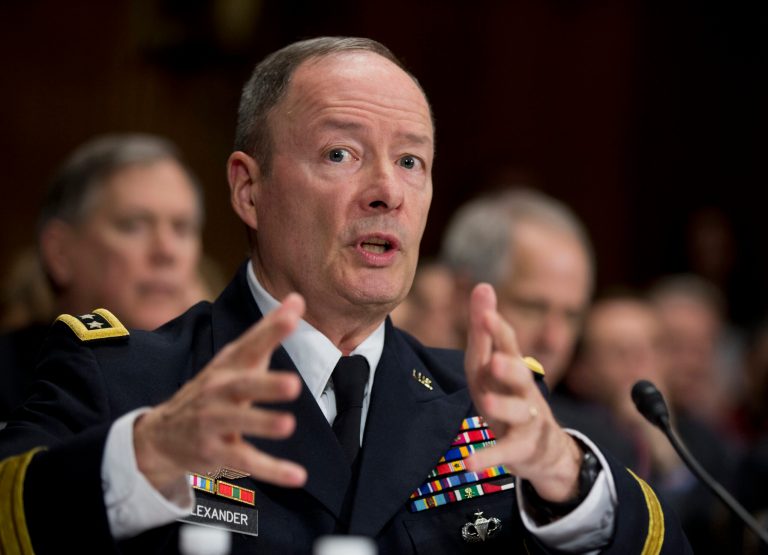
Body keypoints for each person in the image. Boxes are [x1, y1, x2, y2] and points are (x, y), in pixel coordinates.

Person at [0, 37, 689, 554]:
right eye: (341, 154)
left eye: (411, 160)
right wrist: (142, 458)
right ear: (249, 188)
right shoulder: (127, 377)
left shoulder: (485, 407)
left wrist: (568, 482)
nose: (387, 189)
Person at [0, 134, 205, 422]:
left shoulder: (232, 380)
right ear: (60, 253)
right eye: (133, 225)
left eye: (182, 228)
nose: (166, 251)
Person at [567, 293, 737, 553]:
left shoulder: (703, 437)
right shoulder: (571, 440)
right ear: (582, 373)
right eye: (621, 352)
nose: (641, 363)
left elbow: (709, 532)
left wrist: (665, 452)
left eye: (655, 347)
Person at [441, 188, 594, 391]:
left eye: (571, 316)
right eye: (532, 309)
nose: (553, 340)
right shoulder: (397, 410)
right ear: (463, 297)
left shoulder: (590, 423)